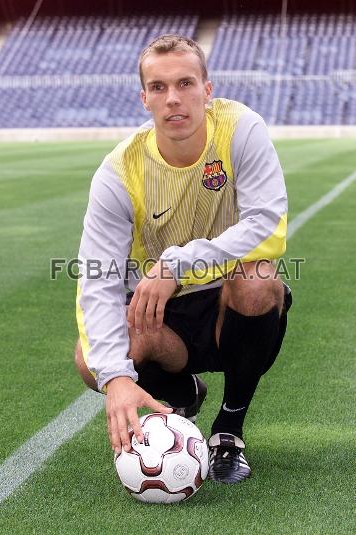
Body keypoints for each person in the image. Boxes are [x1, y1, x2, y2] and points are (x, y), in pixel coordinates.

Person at [75, 34, 292, 484]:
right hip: (162, 312)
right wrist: (114, 377)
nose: (173, 99)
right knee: (89, 357)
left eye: (185, 83)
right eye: (158, 87)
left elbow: (266, 225)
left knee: (259, 280)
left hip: (225, 298)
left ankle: (229, 431)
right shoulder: (119, 171)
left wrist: (177, 265)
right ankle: (181, 393)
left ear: (207, 91)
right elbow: (98, 277)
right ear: (144, 98)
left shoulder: (240, 128)